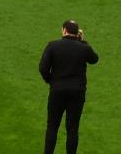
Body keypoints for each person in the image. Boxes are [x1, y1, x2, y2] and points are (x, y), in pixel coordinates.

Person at [41, 20, 99, 154]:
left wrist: (51, 81)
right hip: (77, 92)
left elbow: (43, 68)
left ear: (64, 30)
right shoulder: (83, 48)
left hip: (57, 91)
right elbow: (94, 59)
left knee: (52, 127)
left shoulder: (53, 46)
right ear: (77, 33)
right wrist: (82, 42)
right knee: (73, 129)